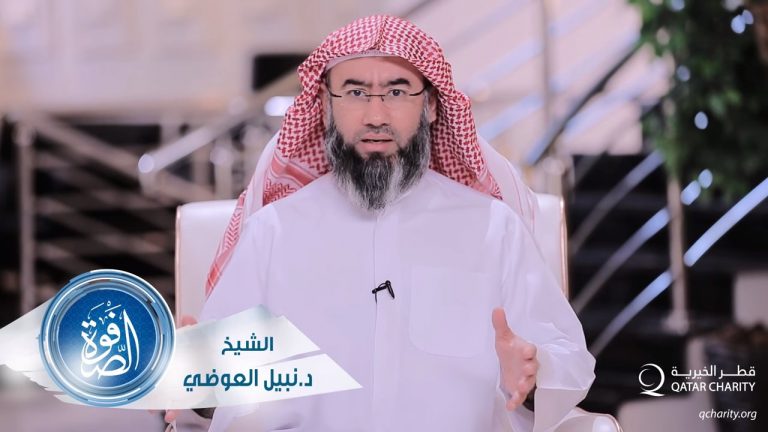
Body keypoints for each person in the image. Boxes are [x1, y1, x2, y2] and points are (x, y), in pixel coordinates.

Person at [193, 15, 595, 431]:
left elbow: (568, 357)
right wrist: (198, 379)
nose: (375, 115)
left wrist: (534, 371)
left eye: (397, 91)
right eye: (355, 92)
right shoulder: (275, 232)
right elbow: (212, 383)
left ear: (431, 105)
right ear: (326, 106)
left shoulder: (493, 228)